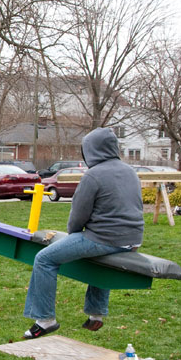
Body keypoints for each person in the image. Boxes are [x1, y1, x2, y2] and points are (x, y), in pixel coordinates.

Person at [22, 127, 144, 339]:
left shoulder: (93, 176)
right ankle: (96, 315)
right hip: (132, 239)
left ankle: (45, 319)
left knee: (43, 259)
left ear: (91, 151)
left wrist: (73, 236)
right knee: (100, 260)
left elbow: (78, 216)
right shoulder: (130, 171)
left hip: (104, 238)